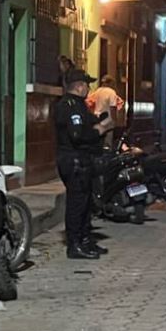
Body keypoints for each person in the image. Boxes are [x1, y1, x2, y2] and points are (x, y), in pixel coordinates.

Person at [54, 69, 111, 260]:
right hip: (74, 161)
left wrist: (99, 123)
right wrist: (99, 131)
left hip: (83, 161)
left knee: (86, 204)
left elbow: (91, 122)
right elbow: (77, 134)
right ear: (79, 86)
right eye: (87, 85)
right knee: (76, 204)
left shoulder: (79, 105)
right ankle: (75, 245)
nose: (89, 88)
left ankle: (85, 240)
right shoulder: (68, 105)